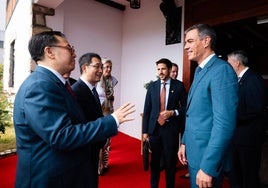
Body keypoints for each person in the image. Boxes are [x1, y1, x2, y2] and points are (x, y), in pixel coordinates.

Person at [13, 31, 135, 188]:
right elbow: (62, 135)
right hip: (50, 179)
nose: (75, 54)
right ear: (49, 52)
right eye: (69, 48)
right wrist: (112, 121)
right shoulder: (40, 86)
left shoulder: (57, 83)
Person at [178, 24, 238, 188]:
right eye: (185, 42)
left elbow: (224, 124)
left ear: (206, 41)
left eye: (190, 41)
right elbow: (195, 113)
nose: (186, 47)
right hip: (194, 151)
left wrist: (208, 167)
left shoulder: (221, 71)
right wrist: (184, 143)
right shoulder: (200, 70)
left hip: (206, 158)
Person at [142, 58, 187, 188]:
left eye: (163, 69)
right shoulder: (152, 86)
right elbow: (147, 109)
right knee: (155, 162)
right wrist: (145, 131)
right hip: (154, 129)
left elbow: (185, 108)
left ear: (168, 69)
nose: (160, 72)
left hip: (170, 130)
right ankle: (154, 185)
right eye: (158, 69)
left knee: (170, 162)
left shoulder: (179, 86)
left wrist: (173, 112)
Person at [227, 50, 267, 188]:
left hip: (249, 138)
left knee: (249, 176)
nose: (227, 67)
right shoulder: (239, 80)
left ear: (237, 63)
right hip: (237, 137)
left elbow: (256, 109)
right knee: (236, 175)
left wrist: (231, 118)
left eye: (229, 63)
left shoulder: (253, 79)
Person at [71, 52, 105, 188]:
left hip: (93, 150)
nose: (101, 71)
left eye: (101, 67)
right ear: (85, 68)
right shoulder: (76, 91)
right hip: (84, 152)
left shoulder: (92, 89)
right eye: (97, 66)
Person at [96, 58, 118, 175]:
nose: (108, 69)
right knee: (100, 141)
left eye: (110, 67)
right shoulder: (97, 81)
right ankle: (98, 166)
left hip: (109, 113)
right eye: (106, 67)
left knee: (108, 142)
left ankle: (105, 164)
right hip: (99, 114)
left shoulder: (113, 80)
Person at [169, 62, 190, 179]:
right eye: (173, 71)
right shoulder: (159, 85)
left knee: (176, 145)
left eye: (176, 71)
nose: (175, 73)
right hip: (162, 122)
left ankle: (175, 165)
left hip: (177, 120)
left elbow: (185, 105)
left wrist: (174, 112)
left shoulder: (180, 85)